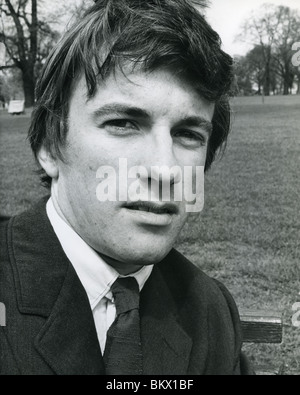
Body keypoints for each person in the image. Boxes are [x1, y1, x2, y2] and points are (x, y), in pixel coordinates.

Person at [0, 0, 254, 375]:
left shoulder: (209, 311)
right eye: (122, 123)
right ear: (50, 147)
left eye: (187, 134)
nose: (166, 171)